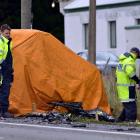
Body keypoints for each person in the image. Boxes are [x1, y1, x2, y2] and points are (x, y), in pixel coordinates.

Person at [116, 47, 140, 122]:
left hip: (122, 89)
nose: (137, 58)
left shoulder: (122, 61)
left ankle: (120, 120)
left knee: (127, 105)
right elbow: (130, 73)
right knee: (131, 107)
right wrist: (138, 81)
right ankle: (130, 121)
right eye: (138, 56)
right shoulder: (130, 61)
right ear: (136, 53)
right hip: (128, 89)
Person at [0, 24, 14, 118]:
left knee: (5, 91)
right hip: (2, 70)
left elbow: (10, 57)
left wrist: (11, 70)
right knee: (4, 91)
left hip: (7, 70)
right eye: (6, 33)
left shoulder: (9, 42)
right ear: (1, 32)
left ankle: (3, 111)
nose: (8, 35)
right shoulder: (1, 42)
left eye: (9, 33)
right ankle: (3, 112)